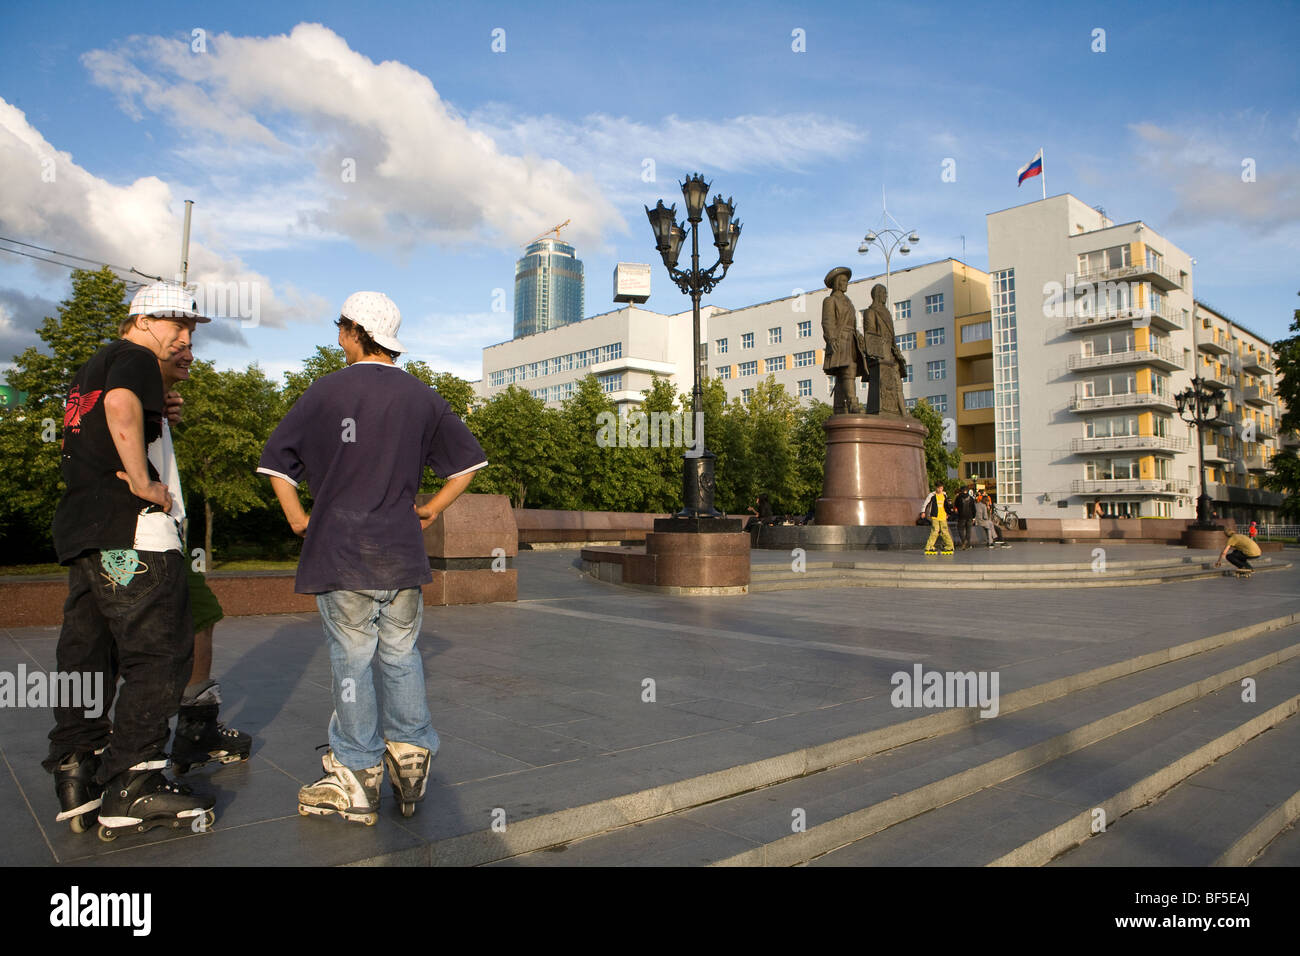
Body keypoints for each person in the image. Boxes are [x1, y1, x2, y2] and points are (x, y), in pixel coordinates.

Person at [258, 292, 488, 825]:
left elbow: (277, 464)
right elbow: (468, 465)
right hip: (400, 552)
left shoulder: (324, 392)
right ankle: (410, 752)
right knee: (401, 654)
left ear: (354, 331)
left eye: (341, 327)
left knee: (352, 662)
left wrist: (297, 518)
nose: (338, 336)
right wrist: (429, 509)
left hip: (341, 553)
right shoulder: (423, 398)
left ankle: (358, 774)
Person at [44, 281, 216, 838]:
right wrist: (145, 481)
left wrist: (154, 410)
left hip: (87, 533)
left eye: (190, 329)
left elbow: (104, 415)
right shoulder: (136, 357)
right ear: (140, 321)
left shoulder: (94, 366)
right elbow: (120, 405)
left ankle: (78, 767)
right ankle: (134, 783)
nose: (185, 337)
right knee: (158, 651)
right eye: (176, 324)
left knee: (88, 654)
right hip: (134, 534)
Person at [156, 342, 253, 773]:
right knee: (126, 632)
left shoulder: (152, 401)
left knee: (202, 613)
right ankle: (109, 742)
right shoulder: (122, 384)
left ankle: (196, 730)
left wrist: (158, 416)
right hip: (138, 535)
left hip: (169, 533)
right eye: (177, 343)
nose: (189, 354)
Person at [821, 267, 869, 414]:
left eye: (846, 281)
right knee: (848, 371)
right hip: (840, 341)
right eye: (842, 281)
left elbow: (852, 323)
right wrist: (831, 339)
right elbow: (827, 321)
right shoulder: (830, 300)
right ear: (836, 283)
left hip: (851, 340)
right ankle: (853, 403)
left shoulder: (848, 302)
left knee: (845, 375)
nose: (845, 283)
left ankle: (840, 407)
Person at [861, 284, 909, 417]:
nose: (886, 296)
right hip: (881, 353)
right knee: (885, 383)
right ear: (877, 294)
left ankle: (902, 411)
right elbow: (869, 333)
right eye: (884, 293)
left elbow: (892, 336)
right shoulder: (870, 312)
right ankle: (890, 411)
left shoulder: (886, 312)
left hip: (892, 352)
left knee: (898, 383)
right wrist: (877, 354)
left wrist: (896, 351)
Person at [921, 483, 954, 555]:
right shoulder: (932, 495)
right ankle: (929, 546)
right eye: (939, 488)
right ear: (936, 488)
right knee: (935, 531)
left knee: (945, 531)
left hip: (943, 516)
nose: (940, 490)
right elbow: (925, 503)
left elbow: (947, 505)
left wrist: (948, 513)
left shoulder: (944, 495)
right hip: (935, 516)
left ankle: (950, 546)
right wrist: (923, 511)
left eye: (941, 488)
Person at [955, 485, 976, 550]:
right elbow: (974, 509)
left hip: (961, 516)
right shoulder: (971, 498)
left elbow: (956, 506)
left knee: (960, 529)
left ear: (961, 491)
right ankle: (968, 544)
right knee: (968, 530)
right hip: (970, 516)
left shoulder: (958, 498)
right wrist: (974, 517)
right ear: (967, 490)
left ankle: (964, 541)